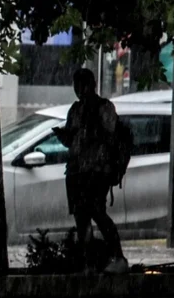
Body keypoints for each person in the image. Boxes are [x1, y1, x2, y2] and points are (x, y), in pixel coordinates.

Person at [53, 68, 127, 274]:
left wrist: (90, 131)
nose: (79, 90)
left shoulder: (104, 107)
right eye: (76, 86)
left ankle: (118, 257)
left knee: (97, 212)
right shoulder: (75, 109)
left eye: (82, 85)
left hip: (97, 170)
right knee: (81, 217)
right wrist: (65, 136)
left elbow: (110, 137)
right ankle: (89, 263)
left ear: (92, 85)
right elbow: (72, 140)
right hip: (76, 171)